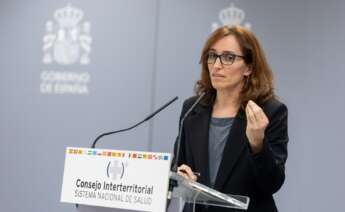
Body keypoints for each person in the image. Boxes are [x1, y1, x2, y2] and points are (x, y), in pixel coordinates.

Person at [173, 25, 289, 212]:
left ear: (249, 68)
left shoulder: (270, 111)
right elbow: (179, 163)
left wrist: (258, 144)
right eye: (212, 56)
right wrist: (181, 175)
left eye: (228, 57)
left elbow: (272, 183)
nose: (217, 65)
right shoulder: (192, 108)